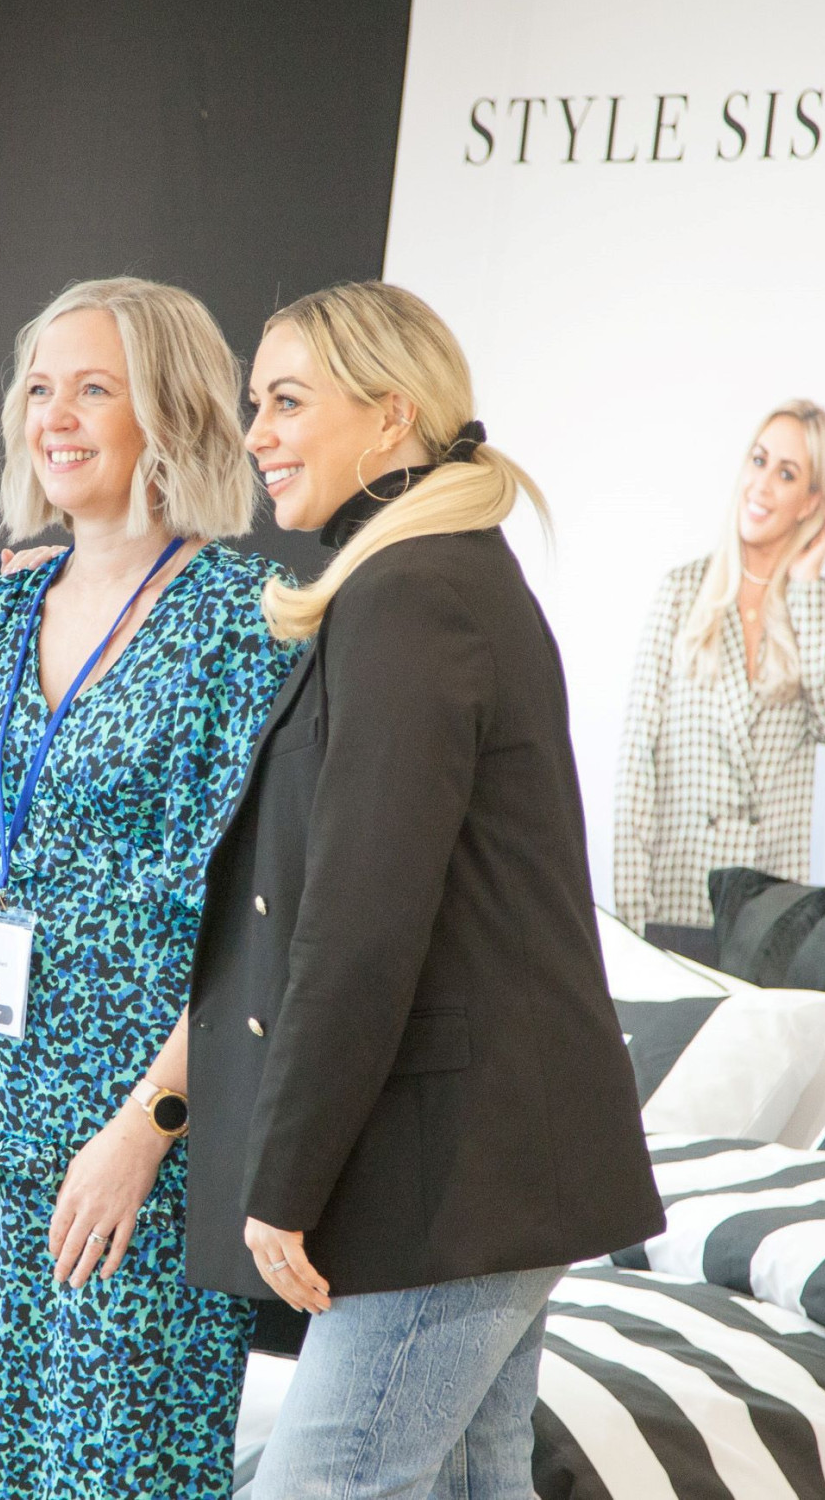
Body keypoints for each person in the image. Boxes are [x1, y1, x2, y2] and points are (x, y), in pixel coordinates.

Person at [184, 281, 664, 1500]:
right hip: (484, 1160)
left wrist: (284, 1180)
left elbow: (361, 925)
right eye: (255, 404)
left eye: (288, 402)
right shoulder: (434, 577)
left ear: (391, 415)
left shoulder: (410, 593)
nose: (257, 434)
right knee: (470, 1483)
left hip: (455, 1165)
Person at [0, 277, 299, 1500]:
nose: (55, 417)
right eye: (39, 389)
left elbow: (262, 919)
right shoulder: (5, 606)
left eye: (92, 389)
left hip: (137, 1134)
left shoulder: (244, 622)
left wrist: (147, 1128)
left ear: (169, 413)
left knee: (114, 1469)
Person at [614, 400, 825, 930]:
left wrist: (807, 583)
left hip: (771, 918)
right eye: (759, 460)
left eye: (787, 474)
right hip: (678, 904)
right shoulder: (682, 592)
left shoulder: (817, 604)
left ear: (811, 501)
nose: (762, 485)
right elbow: (637, 766)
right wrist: (633, 921)